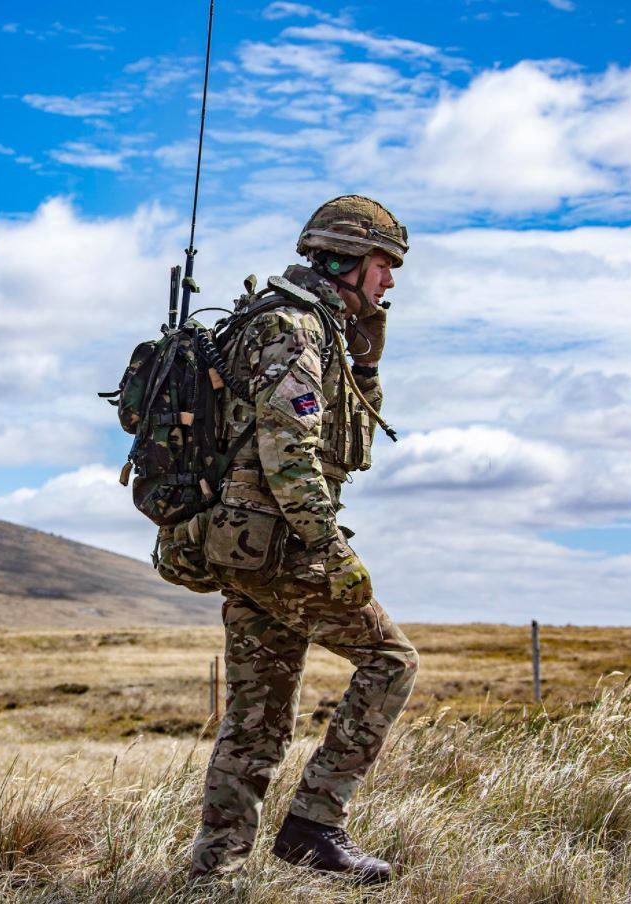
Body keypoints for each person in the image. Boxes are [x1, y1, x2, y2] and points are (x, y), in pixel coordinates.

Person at [189, 195, 419, 885]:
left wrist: (369, 353)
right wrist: (329, 550)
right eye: (385, 263)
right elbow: (290, 451)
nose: (391, 279)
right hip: (285, 546)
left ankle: (215, 874)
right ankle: (316, 824)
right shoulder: (294, 327)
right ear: (347, 258)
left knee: (256, 720)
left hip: (246, 548)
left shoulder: (307, 326)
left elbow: (348, 438)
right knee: (390, 663)